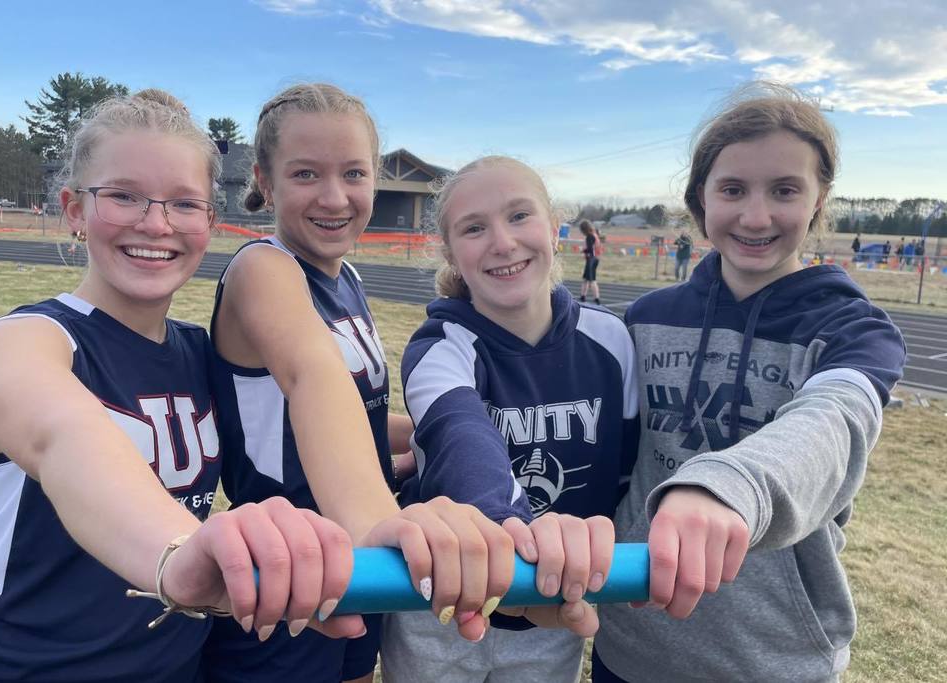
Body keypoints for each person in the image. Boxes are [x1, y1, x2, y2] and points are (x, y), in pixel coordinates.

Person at [0, 89, 367, 683]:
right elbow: (67, 439)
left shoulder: (199, 355)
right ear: (75, 210)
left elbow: (290, 429)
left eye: (185, 204)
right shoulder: (23, 342)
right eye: (124, 196)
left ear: (210, 221)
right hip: (16, 669)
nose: (155, 223)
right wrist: (179, 556)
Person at [202, 84, 596, 683]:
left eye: (354, 173)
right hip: (290, 573)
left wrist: (426, 438)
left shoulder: (347, 276)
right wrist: (375, 520)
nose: (335, 197)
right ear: (265, 177)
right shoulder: (264, 269)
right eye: (306, 174)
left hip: (363, 571)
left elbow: (351, 414)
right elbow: (312, 380)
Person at [594, 82, 907, 683]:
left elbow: (834, 421)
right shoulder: (645, 319)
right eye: (733, 189)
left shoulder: (854, 329)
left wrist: (726, 486)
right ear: (700, 201)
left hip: (771, 658)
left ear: (818, 202)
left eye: (785, 191)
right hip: (630, 643)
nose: (756, 216)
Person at [380, 156, 639, 683]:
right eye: (474, 228)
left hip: (551, 609)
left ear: (554, 226)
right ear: (451, 252)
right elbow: (461, 439)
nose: (502, 242)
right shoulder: (440, 346)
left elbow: (626, 474)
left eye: (519, 216)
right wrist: (515, 536)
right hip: (444, 602)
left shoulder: (613, 341)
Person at [579, 219, 602, 304]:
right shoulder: (595, 234)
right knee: (586, 279)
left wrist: (583, 251)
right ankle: (582, 296)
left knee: (592, 280)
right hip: (595, 259)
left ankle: (597, 299)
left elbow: (590, 249)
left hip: (591, 259)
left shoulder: (590, 236)